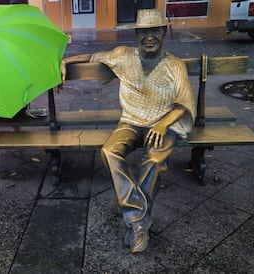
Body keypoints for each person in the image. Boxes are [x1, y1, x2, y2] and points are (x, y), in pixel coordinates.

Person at [60, 9, 196, 253]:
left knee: (154, 160)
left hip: (164, 123)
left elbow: (184, 102)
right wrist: (65, 61)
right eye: (144, 32)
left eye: (155, 31)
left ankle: (135, 224)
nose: (149, 37)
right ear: (136, 34)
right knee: (109, 151)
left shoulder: (174, 65)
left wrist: (164, 123)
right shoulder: (122, 56)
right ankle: (139, 218)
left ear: (164, 33)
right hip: (131, 122)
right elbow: (92, 56)